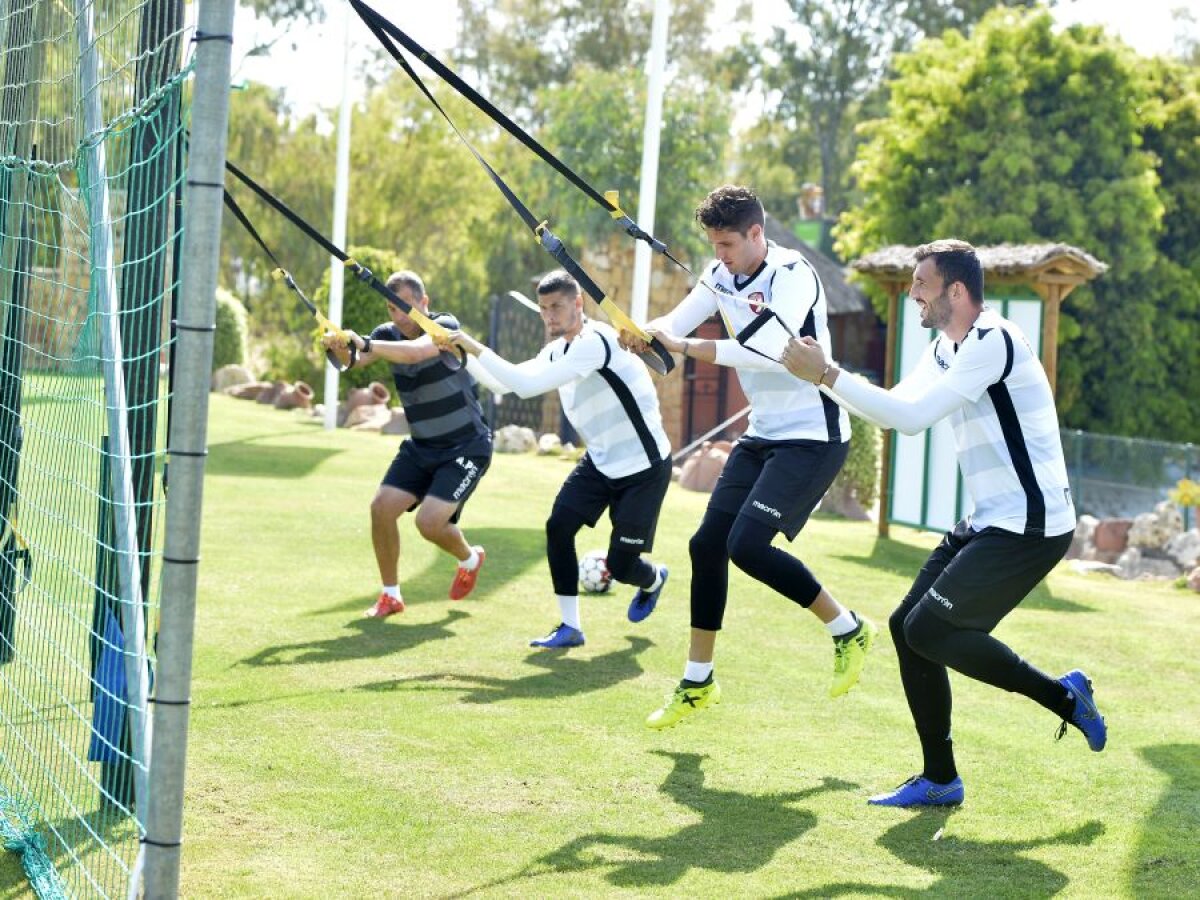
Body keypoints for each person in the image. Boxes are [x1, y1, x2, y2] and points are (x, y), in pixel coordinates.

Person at [780, 238, 1107, 808]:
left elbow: (909, 421)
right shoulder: (945, 348)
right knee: (910, 628)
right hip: (991, 519)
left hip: (1033, 526)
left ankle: (1064, 697)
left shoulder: (992, 341)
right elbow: (894, 407)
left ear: (956, 290)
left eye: (922, 286)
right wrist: (822, 375)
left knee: (929, 630)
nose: (913, 296)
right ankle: (940, 778)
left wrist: (827, 374)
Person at [624, 184, 877, 731]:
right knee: (705, 544)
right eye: (714, 246)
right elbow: (679, 319)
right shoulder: (720, 273)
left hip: (814, 436)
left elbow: (768, 352)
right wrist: (648, 332)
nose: (720, 256)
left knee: (746, 546)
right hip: (764, 433)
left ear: (757, 233)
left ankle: (847, 628)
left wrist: (687, 347)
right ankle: (697, 682)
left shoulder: (793, 275)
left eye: (728, 245)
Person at [440, 269, 672, 648]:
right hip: (600, 462)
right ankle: (570, 627)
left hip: (643, 468)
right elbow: (506, 383)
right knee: (558, 527)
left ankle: (653, 579)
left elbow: (527, 386)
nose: (549, 316)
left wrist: (472, 344)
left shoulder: (595, 342)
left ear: (578, 304)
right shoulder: (556, 350)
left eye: (557, 307)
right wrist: (462, 354)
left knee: (623, 565)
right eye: (544, 309)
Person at [324, 270, 496, 618]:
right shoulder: (386, 335)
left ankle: (470, 558)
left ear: (424, 302)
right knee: (381, 508)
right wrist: (340, 346)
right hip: (422, 447)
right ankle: (391, 595)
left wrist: (366, 344)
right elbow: (354, 361)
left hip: (466, 446)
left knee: (429, 524)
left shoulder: (444, 325)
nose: (399, 316)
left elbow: (417, 353)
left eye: (406, 306)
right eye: (391, 309)